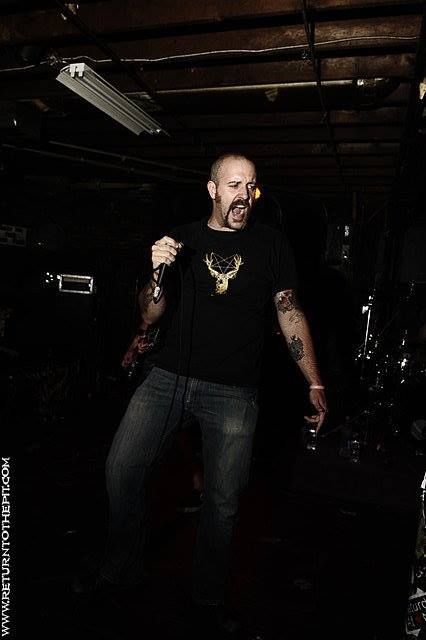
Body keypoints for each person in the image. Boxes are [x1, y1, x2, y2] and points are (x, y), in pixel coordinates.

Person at [78, 154, 327, 635]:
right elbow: (150, 314)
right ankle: (121, 569)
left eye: (251, 186)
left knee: (223, 501)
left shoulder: (272, 244)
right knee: (122, 470)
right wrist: (157, 271)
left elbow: (289, 310)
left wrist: (314, 380)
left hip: (233, 392)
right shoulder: (182, 239)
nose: (244, 195)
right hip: (167, 378)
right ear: (212, 190)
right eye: (233, 185)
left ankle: (207, 598)